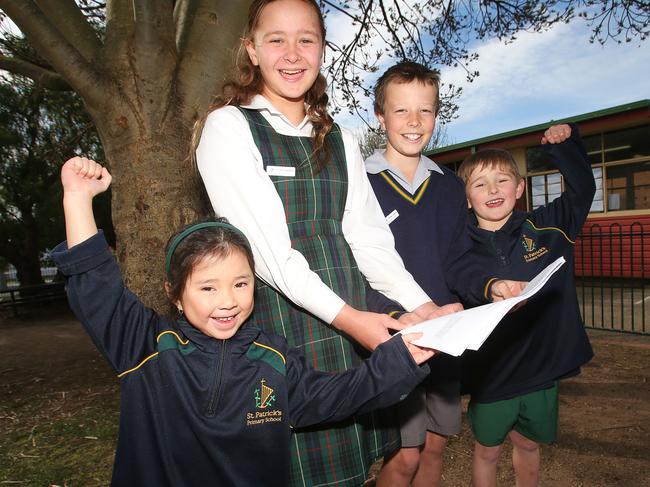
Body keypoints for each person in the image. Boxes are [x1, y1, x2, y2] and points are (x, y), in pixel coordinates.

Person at [193, 1, 458, 485]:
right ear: (251, 50)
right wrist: (356, 322)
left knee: (354, 470)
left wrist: (422, 308)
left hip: (347, 330)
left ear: (322, 48)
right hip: (279, 332)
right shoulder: (229, 127)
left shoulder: (340, 139)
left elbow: (369, 241)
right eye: (276, 39)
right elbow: (270, 256)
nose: (292, 54)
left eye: (307, 39)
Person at [52, 156, 438, 487]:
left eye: (241, 283)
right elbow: (95, 286)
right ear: (175, 293)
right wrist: (78, 197)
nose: (228, 302)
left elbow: (338, 395)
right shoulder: (144, 345)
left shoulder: (272, 358)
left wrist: (401, 358)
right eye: (207, 288)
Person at [364, 60, 525, 487]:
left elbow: (459, 261)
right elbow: (358, 266)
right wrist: (393, 316)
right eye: (401, 110)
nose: (414, 122)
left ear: (437, 114)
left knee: (435, 446)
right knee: (405, 456)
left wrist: (491, 286)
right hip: (394, 337)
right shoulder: (361, 181)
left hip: (446, 337)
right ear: (380, 116)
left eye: (426, 110)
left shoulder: (451, 187)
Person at [458, 124, 596, 487]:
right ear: (467, 196)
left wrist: (566, 146)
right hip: (492, 373)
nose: (492, 190)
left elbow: (583, 190)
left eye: (502, 180)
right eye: (480, 183)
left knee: (529, 445)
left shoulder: (548, 227)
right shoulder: (458, 246)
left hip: (541, 370)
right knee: (487, 450)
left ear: (519, 188)